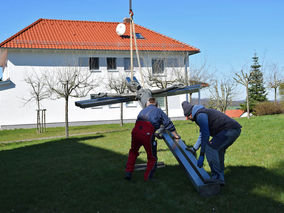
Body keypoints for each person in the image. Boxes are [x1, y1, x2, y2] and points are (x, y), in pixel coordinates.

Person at [182, 101, 242, 186]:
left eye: (187, 116)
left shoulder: (200, 116)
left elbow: (205, 135)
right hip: (233, 130)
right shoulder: (201, 113)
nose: (187, 119)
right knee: (218, 151)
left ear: (190, 113)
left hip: (229, 130)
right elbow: (202, 134)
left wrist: (202, 154)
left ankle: (217, 178)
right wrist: (194, 149)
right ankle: (220, 177)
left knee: (210, 148)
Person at [125, 97, 180, 181]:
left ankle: (128, 172)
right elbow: (168, 123)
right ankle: (148, 177)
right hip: (147, 134)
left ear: (147, 103)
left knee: (133, 152)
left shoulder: (142, 111)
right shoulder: (158, 111)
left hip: (135, 132)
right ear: (156, 104)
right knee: (152, 157)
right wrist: (175, 135)